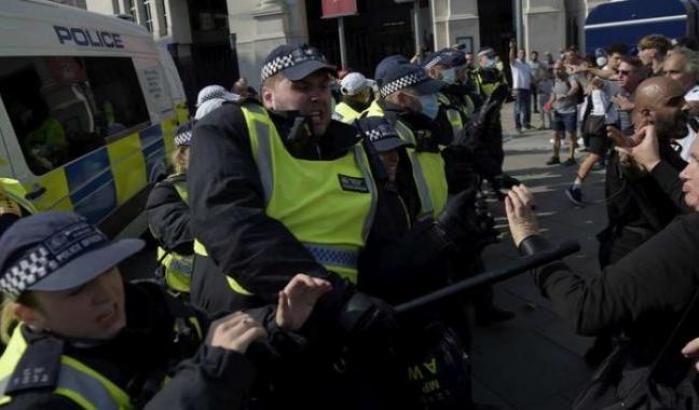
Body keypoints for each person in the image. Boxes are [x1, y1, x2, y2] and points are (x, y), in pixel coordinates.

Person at [187, 44, 397, 409]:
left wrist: (439, 242)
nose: (317, 96)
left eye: (322, 85)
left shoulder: (352, 143)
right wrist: (336, 299)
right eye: (302, 87)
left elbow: (380, 233)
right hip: (256, 321)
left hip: (338, 324)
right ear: (267, 95)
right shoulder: (229, 129)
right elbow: (231, 224)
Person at [0, 211, 331, 410]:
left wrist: (277, 324)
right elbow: (214, 365)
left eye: (107, 271)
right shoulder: (32, 397)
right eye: (75, 290)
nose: (106, 297)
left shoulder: (145, 302)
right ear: (28, 315)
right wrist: (208, 380)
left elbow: (216, 337)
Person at [600, 76, 687, 268]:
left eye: (683, 100)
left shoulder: (659, 143)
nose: (685, 107)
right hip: (637, 259)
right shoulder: (633, 147)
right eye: (675, 103)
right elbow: (632, 170)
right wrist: (633, 168)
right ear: (648, 113)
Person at [146, 121, 196, 296]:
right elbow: (179, 235)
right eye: (199, 149)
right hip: (186, 287)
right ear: (182, 156)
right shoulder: (164, 192)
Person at [564, 77, 617, 205]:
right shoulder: (603, 82)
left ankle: (577, 186)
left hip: (597, 123)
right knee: (594, 156)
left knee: (604, 155)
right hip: (603, 124)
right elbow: (597, 82)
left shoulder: (598, 87)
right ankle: (575, 187)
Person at [545, 60, 580, 166]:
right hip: (558, 111)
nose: (556, 71)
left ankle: (571, 157)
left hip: (570, 111)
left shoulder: (570, 78)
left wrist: (567, 95)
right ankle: (556, 156)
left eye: (559, 69)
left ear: (563, 69)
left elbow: (575, 88)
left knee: (571, 135)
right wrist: (549, 103)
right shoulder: (555, 80)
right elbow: (553, 94)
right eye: (555, 69)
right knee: (556, 134)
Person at [509, 39, 533, 133]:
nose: (522, 54)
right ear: (518, 54)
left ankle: (526, 124)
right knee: (517, 108)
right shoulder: (515, 63)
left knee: (527, 108)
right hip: (517, 89)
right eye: (520, 53)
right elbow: (510, 57)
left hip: (527, 88)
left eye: (523, 53)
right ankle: (518, 126)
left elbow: (530, 76)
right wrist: (512, 48)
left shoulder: (527, 65)